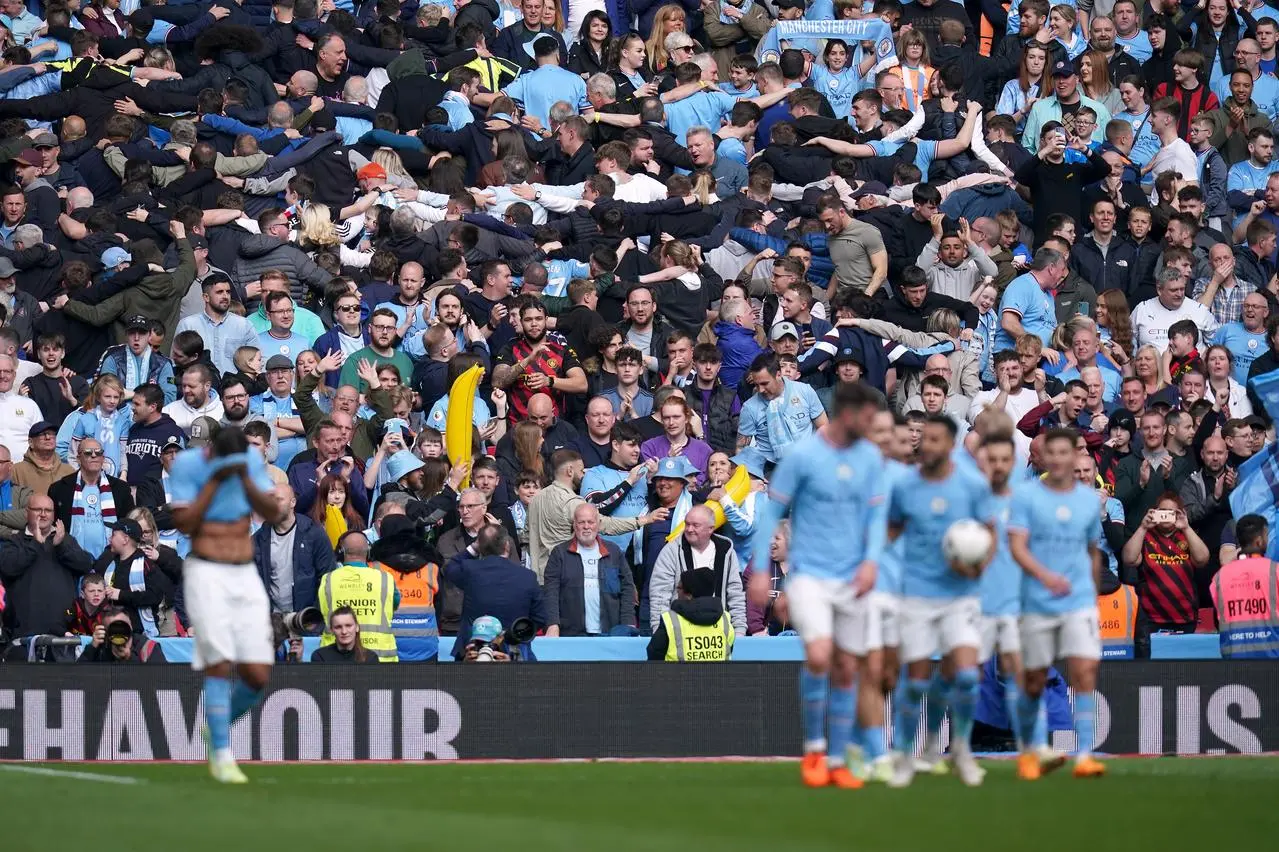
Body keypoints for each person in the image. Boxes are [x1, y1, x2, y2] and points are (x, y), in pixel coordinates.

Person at [749, 381, 888, 789]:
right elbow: (771, 515)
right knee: (821, 653)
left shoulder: (869, 458)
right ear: (847, 414)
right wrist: (760, 569)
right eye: (866, 417)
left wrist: (871, 561)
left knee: (847, 666)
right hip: (809, 574)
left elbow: (876, 518)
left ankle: (840, 759)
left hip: (853, 577)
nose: (871, 425)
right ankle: (813, 749)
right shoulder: (804, 456)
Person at [170, 426, 284, 784]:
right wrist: (216, 481)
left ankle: (215, 726)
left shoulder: (248, 460)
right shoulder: (189, 465)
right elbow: (185, 524)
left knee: (257, 673)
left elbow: (273, 511)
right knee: (218, 661)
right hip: (205, 569)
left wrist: (243, 477)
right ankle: (221, 753)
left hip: (244, 571)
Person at [884, 415, 993, 789]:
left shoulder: (973, 485)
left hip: (961, 595)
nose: (925, 444)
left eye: (933, 439)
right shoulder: (905, 486)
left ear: (949, 445)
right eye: (923, 439)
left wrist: (975, 564)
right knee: (914, 683)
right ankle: (904, 755)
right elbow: (890, 531)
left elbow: (991, 535)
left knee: (964, 676)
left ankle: (958, 748)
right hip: (915, 594)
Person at [1007, 427, 1106, 780]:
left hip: (1078, 601)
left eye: (1068, 453)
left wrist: (1092, 598)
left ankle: (1084, 756)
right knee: (1034, 679)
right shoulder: (1026, 497)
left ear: (1076, 456)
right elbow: (1016, 546)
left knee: (1084, 673)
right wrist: (1044, 576)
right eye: (1055, 453)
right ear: (1045, 458)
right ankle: (1032, 751)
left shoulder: (1087, 501)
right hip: (1037, 600)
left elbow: (1093, 553)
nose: (1061, 459)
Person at [1120, 493, 1210, 658]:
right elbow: (1129, 559)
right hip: (1151, 619)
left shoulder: (1187, 536)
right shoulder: (1146, 536)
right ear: (1154, 512)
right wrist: (1143, 527)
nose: (1166, 515)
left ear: (1179, 514)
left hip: (1184, 617)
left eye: (1172, 512)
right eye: (1162, 511)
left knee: (1182, 669)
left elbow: (1203, 559)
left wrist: (1186, 527)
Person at [443, 523, 547, 659]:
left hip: (472, 650)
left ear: (480, 547)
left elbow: (450, 569)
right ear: (507, 545)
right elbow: (540, 618)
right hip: (513, 649)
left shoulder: (470, 569)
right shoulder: (527, 576)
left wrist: (473, 548)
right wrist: (515, 633)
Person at [0, 495, 91, 641]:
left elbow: (86, 565)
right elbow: (8, 568)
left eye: (48, 510)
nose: (43, 514)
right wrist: (35, 544)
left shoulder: (65, 540)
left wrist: (61, 546)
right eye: (38, 509)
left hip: (63, 631)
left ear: (53, 515)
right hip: (24, 632)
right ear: (26, 513)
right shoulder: (14, 541)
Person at [647, 504, 747, 636]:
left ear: (711, 528)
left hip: (719, 631)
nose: (689, 529)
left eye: (695, 525)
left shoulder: (726, 550)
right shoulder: (671, 551)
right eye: (687, 524)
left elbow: (735, 593)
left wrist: (739, 629)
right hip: (682, 632)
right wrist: (660, 631)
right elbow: (660, 595)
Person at [543, 502, 639, 637]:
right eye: (581, 522)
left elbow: (627, 589)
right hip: (572, 635)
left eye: (590, 522)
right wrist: (552, 624)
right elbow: (550, 592)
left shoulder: (614, 552)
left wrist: (628, 622)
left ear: (598, 524)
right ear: (574, 525)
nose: (586, 526)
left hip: (610, 633)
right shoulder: (559, 554)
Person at [317, 531, 399, 662]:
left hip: (335, 657)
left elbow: (324, 610)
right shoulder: (385, 579)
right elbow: (394, 606)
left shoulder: (328, 580)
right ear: (369, 551)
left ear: (341, 552)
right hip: (381, 658)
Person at [1210, 513, 1279, 657]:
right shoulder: (1275, 571)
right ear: (1259, 541)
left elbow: (1218, 616)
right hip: (1272, 661)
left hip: (1234, 660)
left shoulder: (1219, 577)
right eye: (1266, 535)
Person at [646, 566, 735, 661]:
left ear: (689, 595)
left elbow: (654, 656)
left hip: (676, 675)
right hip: (718, 675)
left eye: (679, 588)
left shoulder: (671, 621)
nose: (677, 592)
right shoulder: (725, 619)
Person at [309, 606, 379, 663]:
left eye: (348, 625)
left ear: (357, 627)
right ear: (332, 630)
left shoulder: (370, 658)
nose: (344, 631)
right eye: (338, 627)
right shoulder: (320, 656)